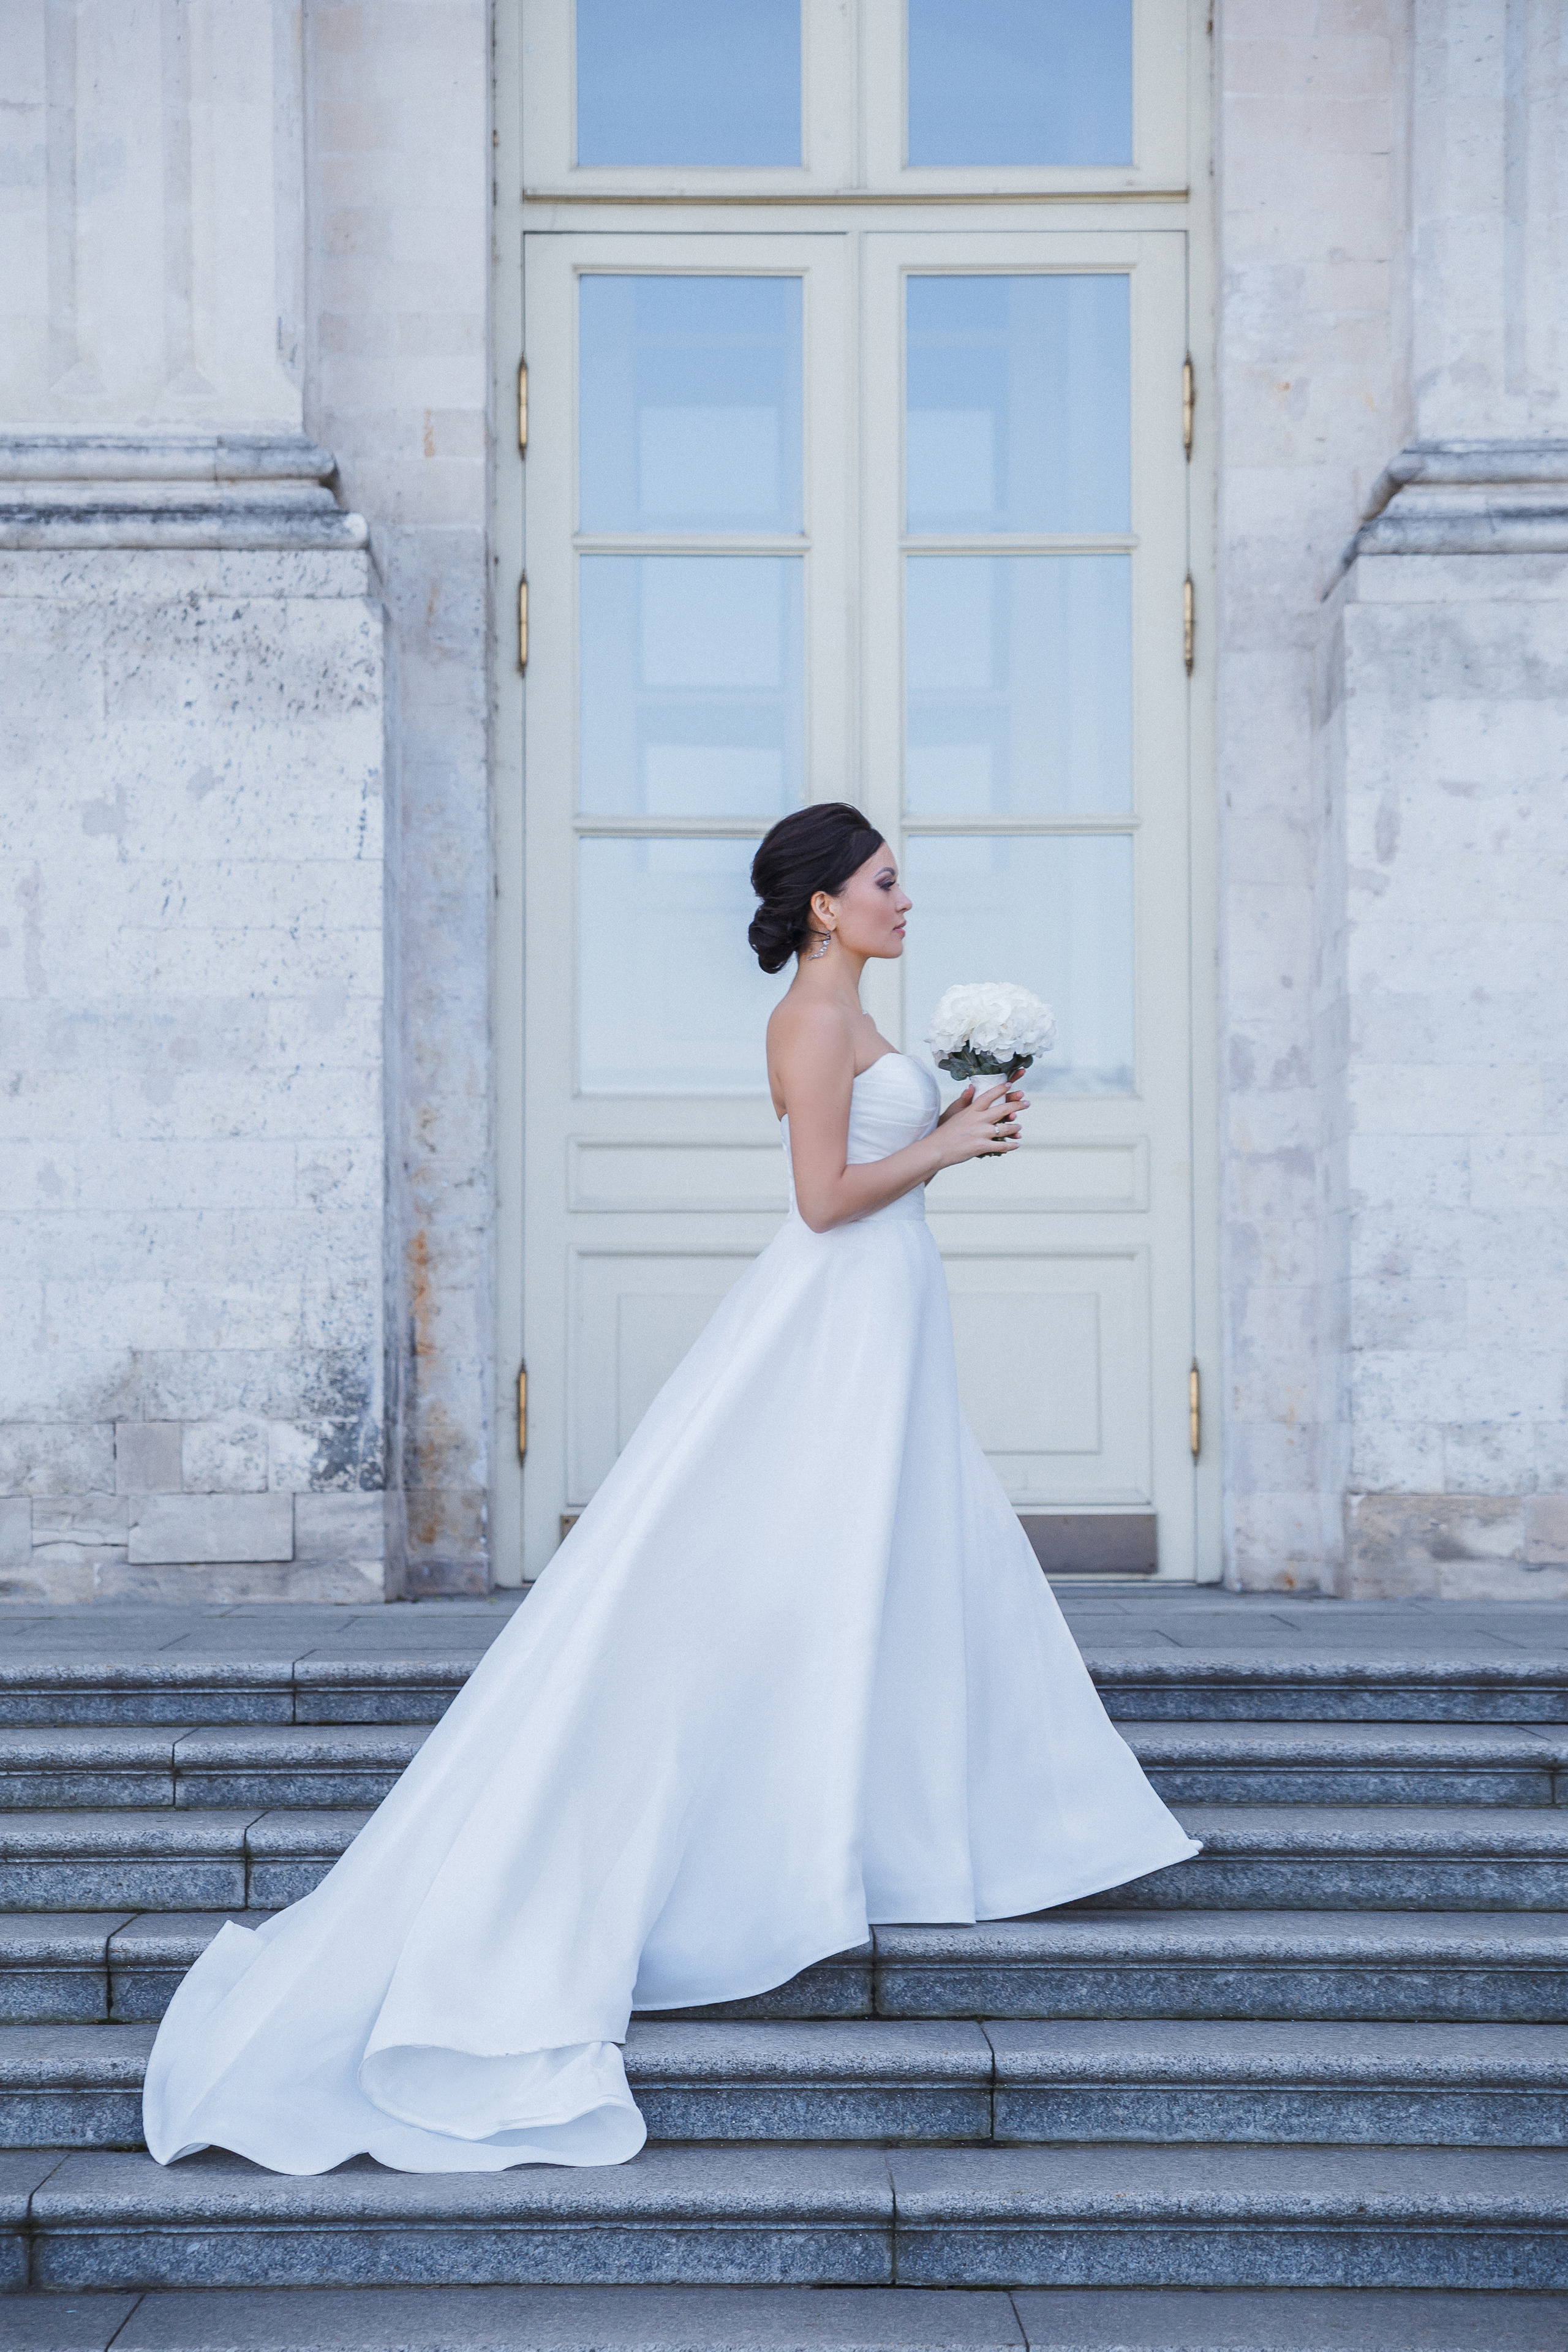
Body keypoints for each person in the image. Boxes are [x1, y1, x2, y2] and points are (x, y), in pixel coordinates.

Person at [142, 801, 1199, 2175]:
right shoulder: (812, 1022)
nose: (904, 900)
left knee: (896, 1560)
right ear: (823, 903)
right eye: (885, 882)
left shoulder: (853, 1020)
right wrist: (936, 1150)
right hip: (831, 1310)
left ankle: (918, 1826)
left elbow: (863, 1171)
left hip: (882, 1311)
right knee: (786, 1570)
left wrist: (939, 1118)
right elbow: (822, 1199)